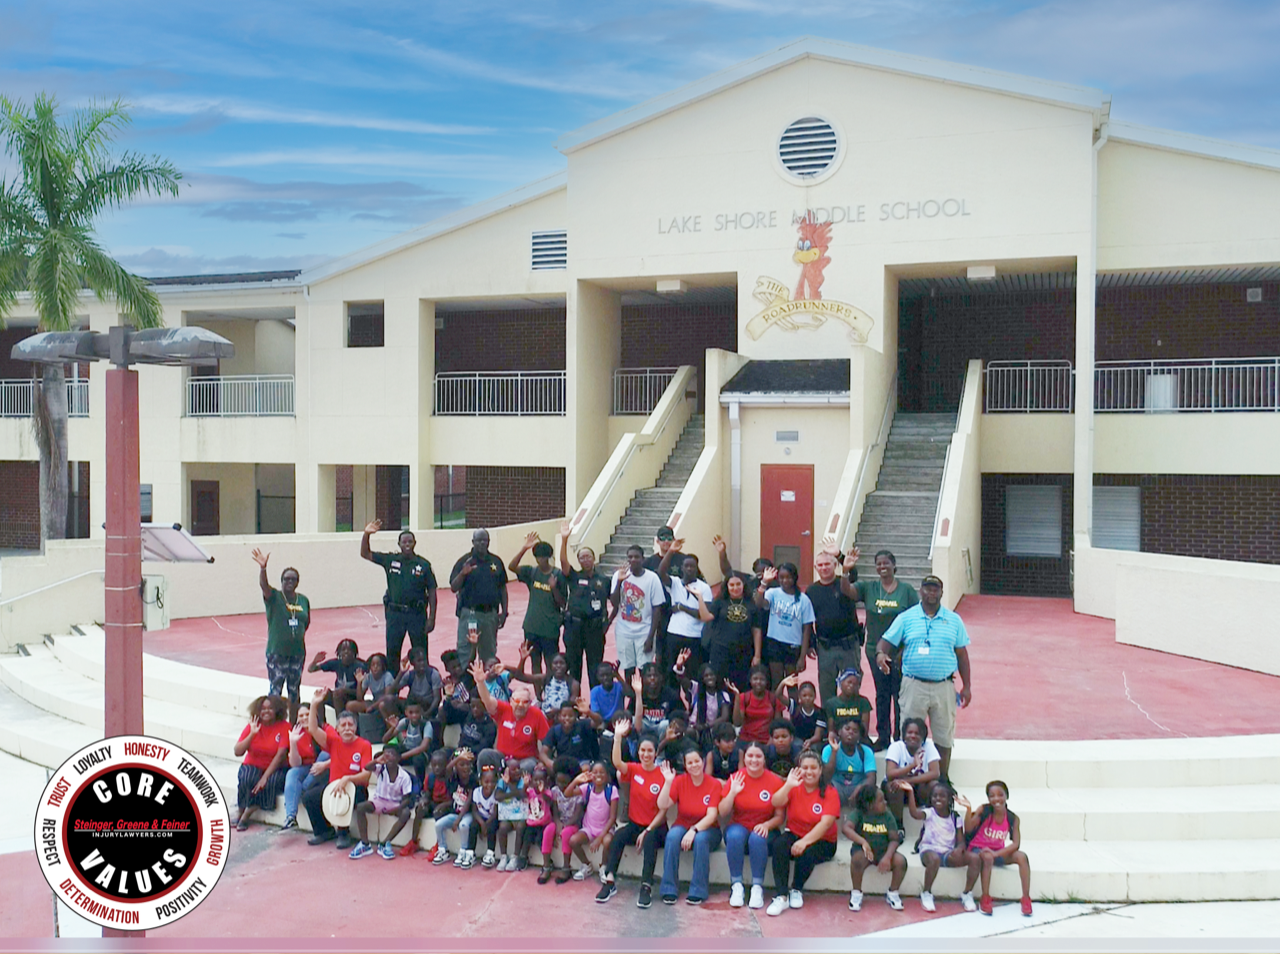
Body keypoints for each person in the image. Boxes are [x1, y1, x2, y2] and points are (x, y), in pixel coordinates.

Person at [877, 574, 971, 778]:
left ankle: (942, 780)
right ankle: (909, 776)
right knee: (910, 734)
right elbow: (885, 643)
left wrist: (967, 686)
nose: (931, 593)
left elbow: (962, 654)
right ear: (921, 591)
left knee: (944, 735)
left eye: (935, 589)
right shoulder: (906, 618)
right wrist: (881, 655)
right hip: (913, 685)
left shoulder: (954, 620)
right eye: (927, 588)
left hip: (944, 686)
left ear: (941, 592)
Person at [597, 717, 668, 908]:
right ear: (638, 752)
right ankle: (610, 881)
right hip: (636, 824)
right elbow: (617, 762)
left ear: (655, 753)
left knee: (651, 839)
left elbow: (663, 810)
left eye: (649, 751)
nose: (645, 754)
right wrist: (618, 737)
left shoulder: (664, 774)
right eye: (642, 750)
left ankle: (646, 886)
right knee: (619, 836)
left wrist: (647, 831)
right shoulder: (635, 770)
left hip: (657, 827)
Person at [853, 549, 919, 750]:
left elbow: (914, 620)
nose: (882, 567)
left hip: (899, 652)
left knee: (899, 694)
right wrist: (844, 564)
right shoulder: (869, 587)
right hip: (875, 650)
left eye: (886, 563)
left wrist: (903, 651)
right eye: (878, 564)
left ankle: (900, 737)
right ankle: (883, 737)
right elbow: (847, 590)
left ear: (894, 565)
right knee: (881, 694)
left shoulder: (906, 591)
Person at [765, 753, 840, 916]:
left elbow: (825, 824)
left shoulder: (830, 792)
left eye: (813, 768)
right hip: (795, 833)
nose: (809, 772)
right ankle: (782, 896)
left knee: (807, 852)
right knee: (779, 845)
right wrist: (787, 785)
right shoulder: (794, 786)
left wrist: (804, 842)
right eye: (805, 768)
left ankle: (797, 889)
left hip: (823, 840)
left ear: (820, 770)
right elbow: (775, 802)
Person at [303, 688, 373, 849]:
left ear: (355, 728)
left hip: (357, 789)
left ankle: (343, 833)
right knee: (309, 797)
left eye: (350, 725)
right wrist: (314, 704)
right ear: (338, 729)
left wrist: (347, 778)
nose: (347, 728)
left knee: (343, 794)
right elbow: (313, 729)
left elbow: (366, 776)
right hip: (334, 785)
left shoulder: (364, 745)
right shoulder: (333, 741)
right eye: (343, 725)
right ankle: (324, 831)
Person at [361, 519, 438, 666]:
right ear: (399, 544)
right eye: (404, 542)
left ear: (415, 543)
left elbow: (432, 591)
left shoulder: (423, 565)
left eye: (410, 541)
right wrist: (366, 535)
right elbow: (365, 553)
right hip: (395, 615)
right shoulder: (390, 560)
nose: (407, 545)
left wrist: (432, 617)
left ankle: (421, 687)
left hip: (417, 614)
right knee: (392, 654)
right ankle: (393, 688)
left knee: (420, 654)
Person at [719, 740, 785, 910]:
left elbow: (780, 816)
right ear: (744, 757)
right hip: (739, 825)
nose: (753, 760)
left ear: (764, 759)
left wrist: (767, 825)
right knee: (734, 836)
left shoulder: (774, 781)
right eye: (750, 756)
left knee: (757, 838)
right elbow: (723, 811)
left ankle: (757, 887)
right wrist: (732, 792)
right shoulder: (736, 778)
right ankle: (737, 886)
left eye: (758, 756)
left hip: (765, 829)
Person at [658, 747, 722, 905]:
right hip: (682, 824)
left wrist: (693, 830)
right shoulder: (680, 781)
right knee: (672, 837)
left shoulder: (714, 784)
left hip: (709, 829)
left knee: (700, 839)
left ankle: (698, 890)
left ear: (703, 762)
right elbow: (663, 804)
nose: (694, 765)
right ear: (685, 765)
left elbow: (712, 816)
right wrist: (667, 783)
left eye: (697, 761)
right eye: (690, 762)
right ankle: (668, 888)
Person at [251, 548, 309, 724]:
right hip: (277, 653)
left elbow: (306, 622)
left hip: (297, 653)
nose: (289, 582)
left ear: (297, 582)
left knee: (294, 691)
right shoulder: (274, 596)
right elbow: (264, 586)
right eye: (286, 579)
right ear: (281, 581)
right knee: (275, 690)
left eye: (293, 579)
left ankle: (293, 725)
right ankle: (272, 724)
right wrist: (263, 568)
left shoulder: (303, 600)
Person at [963, 780, 1033, 916]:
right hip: (979, 849)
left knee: (1022, 856)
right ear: (988, 798)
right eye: (992, 796)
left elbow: (1015, 844)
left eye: (1000, 795)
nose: (996, 799)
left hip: (996, 851)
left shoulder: (1013, 818)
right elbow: (969, 828)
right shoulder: (984, 810)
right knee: (988, 858)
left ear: (1006, 796)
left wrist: (997, 854)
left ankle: (1026, 898)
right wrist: (969, 810)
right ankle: (985, 898)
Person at [470, 656, 550, 774]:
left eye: (525, 702)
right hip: (502, 757)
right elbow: (487, 700)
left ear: (530, 704)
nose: (520, 705)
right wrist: (480, 682)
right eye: (517, 701)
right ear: (511, 701)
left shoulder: (537, 715)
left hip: (525, 760)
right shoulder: (504, 709)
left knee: (527, 766)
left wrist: (543, 760)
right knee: (484, 755)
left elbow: (547, 741)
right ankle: (484, 788)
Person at [807, 547, 864, 705]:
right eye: (820, 565)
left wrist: (840, 555)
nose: (824, 568)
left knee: (851, 687)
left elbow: (852, 573)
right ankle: (829, 724)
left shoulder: (845, 583)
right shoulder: (812, 591)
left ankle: (852, 724)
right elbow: (807, 620)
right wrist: (810, 643)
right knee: (826, 690)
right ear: (815, 568)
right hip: (825, 647)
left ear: (835, 565)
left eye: (828, 564)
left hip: (849, 646)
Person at [558, 521, 612, 687]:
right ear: (579, 561)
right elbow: (563, 563)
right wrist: (564, 540)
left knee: (594, 667)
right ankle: (575, 704)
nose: (585, 559)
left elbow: (614, 602)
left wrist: (607, 622)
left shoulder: (604, 580)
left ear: (594, 558)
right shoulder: (573, 576)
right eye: (582, 557)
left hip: (594, 629)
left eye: (588, 556)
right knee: (574, 666)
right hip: (574, 627)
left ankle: (594, 705)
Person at [904, 780, 969, 912]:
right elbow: (914, 813)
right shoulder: (929, 813)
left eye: (942, 796)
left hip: (947, 853)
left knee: (974, 858)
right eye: (934, 796)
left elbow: (961, 841)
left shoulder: (955, 817)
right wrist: (910, 792)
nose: (937, 798)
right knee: (934, 859)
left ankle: (967, 893)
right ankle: (926, 893)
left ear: (950, 799)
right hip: (929, 849)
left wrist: (959, 849)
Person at [509, 531, 567, 675]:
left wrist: (553, 588)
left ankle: (549, 691)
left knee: (550, 663)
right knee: (535, 662)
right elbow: (512, 566)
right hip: (531, 626)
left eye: (543, 557)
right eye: (537, 557)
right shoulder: (531, 572)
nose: (540, 560)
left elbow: (562, 603)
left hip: (550, 627)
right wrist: (525, 548)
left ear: (548, 557)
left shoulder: (557, 575)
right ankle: (539, 695)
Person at [450, 529, 508, 669]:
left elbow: (502, 589)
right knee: (465, 653)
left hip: (490, 615)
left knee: (489, 655)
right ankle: (466, 686)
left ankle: (487, 688)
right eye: (479, 540)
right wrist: (463, 574)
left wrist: (504, 611)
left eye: (485, 540)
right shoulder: (464, 561)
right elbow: (453, 587)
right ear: (473, 542)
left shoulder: (496, 561)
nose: (482, 543)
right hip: (470, 614)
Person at [753, 563, 816, 693]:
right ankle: (777, 713)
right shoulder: (773, 593)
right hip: (774, 643)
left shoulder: (804, 600)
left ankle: (794, 712)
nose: (785, 581)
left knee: (792, 685)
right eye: (781, 577)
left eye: (788, 577)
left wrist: (802, 656)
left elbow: (806, 630)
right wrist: (764, 583)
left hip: (793, 646)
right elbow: (758, 604)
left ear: (795, 578)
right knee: (776, 683)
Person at [845, 783, 907, 912]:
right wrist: (863, 842)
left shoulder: (887, 815)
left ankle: (893, 893)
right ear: (869, 805)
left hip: (883, 851)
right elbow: (846, 828)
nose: (885, 802)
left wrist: (887, 857)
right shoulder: (859, 813)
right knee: (856, 860)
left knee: (901, 862)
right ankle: (856, 893)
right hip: (864, 852)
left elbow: (894, 839)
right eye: (881, 800)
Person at [233, 695, 290, 831]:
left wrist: (265, 777)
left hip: (276, 767)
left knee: (270, 782)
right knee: (247, 778)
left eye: (270, 708)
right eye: (263, 709)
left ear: (277, 710)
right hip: (253, 764)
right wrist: (252, 734)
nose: (266, 711)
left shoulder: (284, 727)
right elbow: (237, 751)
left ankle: (248, 812)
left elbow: (280, 755)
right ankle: (241, 809)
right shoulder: (253, 725)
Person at [348, 743, 414, 860]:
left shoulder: (404, 776)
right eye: (386, 754)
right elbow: (367, 767)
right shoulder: (380, 768)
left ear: (399, 758)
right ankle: (365, 844)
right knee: (361, 807)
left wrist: (397, 809)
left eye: (392, 754)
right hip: (379, 800)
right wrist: (377, 761)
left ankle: (384, 843)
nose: (389, 757)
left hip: (394, 803)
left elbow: (407, 798)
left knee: (406, 813)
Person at [695, 569, 758, 693]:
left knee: (740, 686)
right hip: (720, 652)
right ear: (727, 586)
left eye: (738, 584)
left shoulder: (750, 603)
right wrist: (700, 598)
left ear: (743, 585)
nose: (735, 588)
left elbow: (756, 630)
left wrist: (757, 655)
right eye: (732, 585)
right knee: (720, 684)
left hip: (743, 652)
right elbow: (706, 617)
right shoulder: (720, 602)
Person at [609, 545, 666, 680]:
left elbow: (657, 608)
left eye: (636, 557)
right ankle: (632, 700)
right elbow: (614, 602)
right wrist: (619, 582)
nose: (633, 560)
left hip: (644, 632)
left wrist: (651, 637)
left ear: (642, 559)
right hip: (624, 632)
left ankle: (644, 698)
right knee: (628, 669)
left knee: (644, 670)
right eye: (630, 557)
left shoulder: (652, 578)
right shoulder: (619, 575)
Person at [657, 543, 712, 680]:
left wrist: (682, 607)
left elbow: (703, 615)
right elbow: (661, 572)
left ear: (697, 568)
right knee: (672, 672)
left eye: (692, 566)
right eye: (686, 566)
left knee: (693, 674)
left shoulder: (704, 588)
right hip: (674, 634)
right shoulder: (675, 583)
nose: (689, 569)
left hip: (694, 636)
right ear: (681, 568)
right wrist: (670, 551)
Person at [884, 718, 943, 826]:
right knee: (894, 786)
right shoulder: (896, 747)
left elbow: (935, 773)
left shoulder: (928, 746)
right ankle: (898, 825)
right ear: (904, 734)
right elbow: (890, 774)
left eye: (917, 733)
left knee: (934, 784)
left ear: (923, 737)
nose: (913, 736)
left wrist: (908, 780)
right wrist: (912, 765)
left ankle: (932, 820)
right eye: (909, 732)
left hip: (917, 789)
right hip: (897, 790)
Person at [567, 761, 618, 881]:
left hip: (605, 828)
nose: (598, 775)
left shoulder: (612, 790)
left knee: (607, 841)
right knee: (573, 841)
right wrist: (576, 780)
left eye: (602, 772)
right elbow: (567, 793)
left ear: (607, 775)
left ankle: (603, 866)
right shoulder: (587, 788)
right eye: (595, 772)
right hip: (589, 828)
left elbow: (612, 818)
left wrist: (600, 838)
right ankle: (586, 865)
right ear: (590, 775)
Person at [280, 701, 327, 832]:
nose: (304, 718)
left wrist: (324, 764)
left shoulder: (323, 729)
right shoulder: (296, 732)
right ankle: (290, 817)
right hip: (306, 769)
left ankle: (302, 789)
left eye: (308, 714)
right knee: (292, 773)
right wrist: (293, 743)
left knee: (324, 755)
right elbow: (295, 764)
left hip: (324, 768)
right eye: (301, 716)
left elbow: (334, 753)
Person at [428, 749, 476, 866]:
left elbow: (468, 803)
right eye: (462, 764)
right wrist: (458, 758)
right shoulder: (453, 777)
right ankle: (443, 850)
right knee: (438, 824)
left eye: (468, 764)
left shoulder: (473, 780)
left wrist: (458, 819)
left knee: (463, 825)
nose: (465, 768)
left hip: (467, 814)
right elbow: (447, 769)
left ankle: (463, 851)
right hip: (455, 813)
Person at [545, 758, 588, 883]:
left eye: (565, 783)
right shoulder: (555, 791)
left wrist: (565, 826)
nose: (561, 785)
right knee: (548, 829)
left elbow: (578, 814)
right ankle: (546, 865)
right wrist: (558, 823)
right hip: (561, 821)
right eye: (558, 781)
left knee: (566, 833)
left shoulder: (578, 793)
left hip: (573, 823)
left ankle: (566, 867)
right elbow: (555, 811)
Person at [506, 647, 579, 714]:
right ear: (551, 666)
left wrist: (556, 711)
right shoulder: (546, 678)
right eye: (555, 663)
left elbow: (571, 705)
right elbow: (520, 676)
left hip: (562, 717)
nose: (558, 666)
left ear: (567, 665)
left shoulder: (573, 683)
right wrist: (523, 659)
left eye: (562, 663)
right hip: (545, 716)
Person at [821, 717, 876, 805]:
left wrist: (860, 788)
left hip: (858, 788)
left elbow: (872, 778)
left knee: (873, 792)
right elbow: (826, 777)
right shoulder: (828, 749)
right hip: (836, 787)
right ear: (839, 732)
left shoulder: (866, 751)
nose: (850, 732)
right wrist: (834, 751)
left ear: (859, 736)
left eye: (855, 731)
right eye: (847, 729)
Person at [308, 639, 363, 715]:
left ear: (355, 653)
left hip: (352, 697)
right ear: (339, 653)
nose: (346, 652)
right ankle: (322, 724)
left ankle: (339, 720)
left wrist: (344, 691)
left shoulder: (360, 666)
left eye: (349, 649)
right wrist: (315, 661)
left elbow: (361, 694)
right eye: (343, 649)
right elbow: (311, 670)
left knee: (338, 693)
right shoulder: (336, 663)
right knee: (321, 695)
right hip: (337, 697)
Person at [733, 664, 783, 745]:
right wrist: (737, 699)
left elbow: (777, 724)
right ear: (750, 680)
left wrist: (772, 740)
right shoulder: (744, 697)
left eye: (762, 679)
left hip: (767, 741)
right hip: (746, 740)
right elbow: (737, 723)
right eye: (755, 679)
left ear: (767, 681)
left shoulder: (773, 698)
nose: (758, 682)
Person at [494, 758, 529, 872]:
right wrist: (510, 790)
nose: (518, 771)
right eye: (514, 769)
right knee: (502, 828)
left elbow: (520, 795)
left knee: (520, 828)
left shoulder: (522, 781)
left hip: (521, 816)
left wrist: (509, 786)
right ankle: (504, 856)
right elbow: (498, 797)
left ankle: (515, 857)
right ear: (507, 771)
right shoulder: (501, 781)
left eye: (519, 768)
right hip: (508, 816)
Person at [631, 663, 683, 737]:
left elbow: (681, 713)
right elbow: (631, 715)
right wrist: (638, 694)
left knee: (665, 724)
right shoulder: (638, 692)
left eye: (655, 675)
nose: (652, 678)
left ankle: (663, 746)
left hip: (662, 728)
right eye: (649, 676)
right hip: (644, 727)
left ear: (661, 677)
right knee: (633, 720)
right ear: (643, 678)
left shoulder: (670, 694)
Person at [386, 700, 434, 780]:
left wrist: (401, 756)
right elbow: (385, 740)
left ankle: (420, 785)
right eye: (411, 713)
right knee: (386, 752)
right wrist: (392, 727)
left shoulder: (426, 724)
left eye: (417, 712)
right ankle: (392, 781)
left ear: (421, 711)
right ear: (406, 713)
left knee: (418, 760)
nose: (414, 715)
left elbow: (423, 747)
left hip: (421, 754)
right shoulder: (405, 722)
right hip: (407, 749)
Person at [780, 676, 827, 751]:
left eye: (810, 695)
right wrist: (783, 683)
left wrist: (810, 741)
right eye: (804, 695)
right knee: (796, 746)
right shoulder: (794, 707)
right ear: (799, 696)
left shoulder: (820, 712)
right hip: (797, 740)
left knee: (815, 748)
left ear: (815, 696)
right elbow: (778, 695)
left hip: (813, 741)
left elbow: (817, 736)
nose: (807, 698)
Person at [824, 667, 872, 739]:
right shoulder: (831, 704)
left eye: (855, 684)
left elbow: (864, 731)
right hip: (838, 739)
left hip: (858, 739)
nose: (852, 685)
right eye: (849, 682)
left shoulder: (863, 702)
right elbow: (831, 730)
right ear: (841, 682)